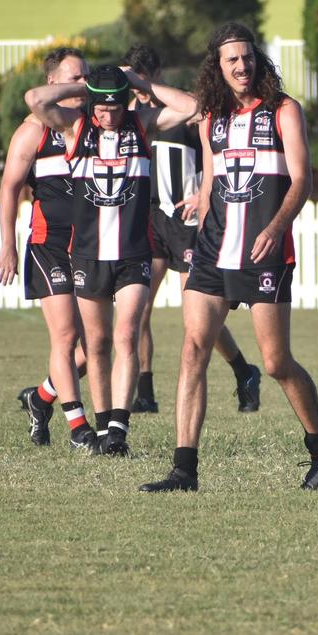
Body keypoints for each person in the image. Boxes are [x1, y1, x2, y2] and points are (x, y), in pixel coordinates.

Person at [140, 22, 318, 493]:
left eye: (247, 57)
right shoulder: (211, 116)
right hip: (212, 250)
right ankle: (184, 470)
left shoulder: (283, 110)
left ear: (258, 60)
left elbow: (302, 180)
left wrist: (276, 228)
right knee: (193, 348)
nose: (241, 65)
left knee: (276, 363)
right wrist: (198, 222)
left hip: (265, 251)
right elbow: (211, 182)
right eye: (231, 59)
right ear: (219, 65)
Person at [25, 64, 198, 455]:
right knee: (98, 344)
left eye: (113, 107)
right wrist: (82, 86)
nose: (106, 115)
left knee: (126, 336)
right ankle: (102, 427)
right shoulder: (76, 126)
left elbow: (189, 105)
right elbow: (34, 99)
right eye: (100, 108)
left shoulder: (141, 125)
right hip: (87, 255)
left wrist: (139, 82)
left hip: (133, 253)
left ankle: (118, 428)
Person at [120, 44, 263, 415]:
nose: (136, 93)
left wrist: (203, 193)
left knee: (197, 319)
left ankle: (243, 370)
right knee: (140, 309)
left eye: (141, 84)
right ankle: (146, 392)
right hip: (152, 219)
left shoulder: (181, 108)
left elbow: (214, 141)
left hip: (187, 224)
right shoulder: (128, 115)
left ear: (154, 76)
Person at [0, 47, 96, 449]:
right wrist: (8, 245)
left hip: (89, 246)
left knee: (96, 345)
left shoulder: (93, 126)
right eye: (75, 77)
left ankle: (41, 399)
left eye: (86, 76)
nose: (83, 85)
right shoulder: (33, 131)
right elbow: (9, 189)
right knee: (66, 336)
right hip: (48, 244)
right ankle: (79, 429)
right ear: (52, 83)